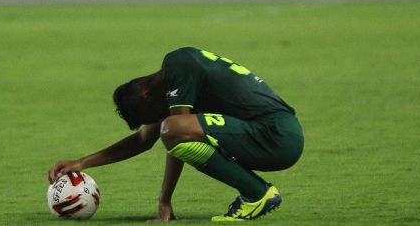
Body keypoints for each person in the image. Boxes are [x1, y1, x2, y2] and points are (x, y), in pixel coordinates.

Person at [48, 47, 304, 222]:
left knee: (173, 128)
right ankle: (255, 193)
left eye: (150, 118)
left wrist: (164, 201)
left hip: (276, 134)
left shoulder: (178, 65)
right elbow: (142, 140)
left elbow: (175, 132)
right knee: (173, 127)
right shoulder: (172, 85)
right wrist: (81, 162)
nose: (156, 124)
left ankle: (257, 194)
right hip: (269, 134)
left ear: (145, 96)